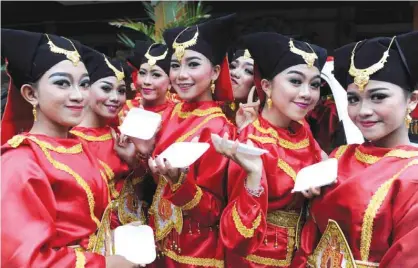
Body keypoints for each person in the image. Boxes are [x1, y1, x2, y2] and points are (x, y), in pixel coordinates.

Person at [1, 29, 136, 267]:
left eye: (84, 84)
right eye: (62, 83)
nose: (78, 95)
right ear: (31, 94)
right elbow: (25, 260)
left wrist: (114, 237)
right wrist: (106, 264)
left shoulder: (77, 145)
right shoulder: (21, 163)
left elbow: (83, 226)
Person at [292, 31, 418, 267]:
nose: (363, 111)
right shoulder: (339, 157)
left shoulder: (413, 175)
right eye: (353, 99)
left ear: (412, 100)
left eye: (378, 97)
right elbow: (309, 241)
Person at [212, 32, 327, 267]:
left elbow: (321, 165)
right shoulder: (251, 141)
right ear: (266, 86)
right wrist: (254, 178)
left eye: (314, 84)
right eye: (295, 81)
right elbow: (235, 235)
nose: (307, 93)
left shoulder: (302, 130)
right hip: (258, 259)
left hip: (303, 254)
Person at [145, 14, 237, 267]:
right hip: (160, 242)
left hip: (197, 252)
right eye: (175, 65)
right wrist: (144, 154)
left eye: (193, 64)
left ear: (216, 71)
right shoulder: (170, 113)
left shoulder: (219, 129)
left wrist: (179, 182)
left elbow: (214, 212)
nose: (181, 75)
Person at [70, 45, 152, 233]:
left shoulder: (120, 134)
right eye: (106, 88)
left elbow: (140, 193)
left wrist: (133, 160)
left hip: (134, 233)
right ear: (85, 88)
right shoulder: (72, 141)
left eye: (121, 91)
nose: (115, 98)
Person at [119, 41, 178, 122]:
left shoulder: (177, 114)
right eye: (142, 73)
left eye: (156, 75)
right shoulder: (120, 109)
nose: (147, 81)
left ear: (170, 82)